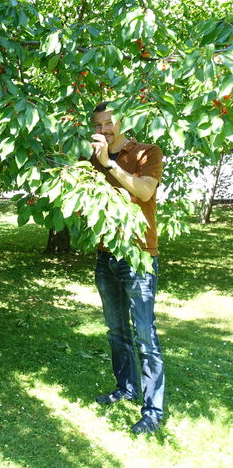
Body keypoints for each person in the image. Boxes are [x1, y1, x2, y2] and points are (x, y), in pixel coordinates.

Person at [90, 101, 165, 434]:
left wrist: (110, 164)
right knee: (116, 331)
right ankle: (126, 388)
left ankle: (153, 410)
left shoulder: (148, 152)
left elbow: (145, 191)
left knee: (145, 336)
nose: (103, 130)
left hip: (139, 256)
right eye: (97, 125)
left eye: (108, 124)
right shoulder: (92, 159)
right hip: (106, 255)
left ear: (121, 123)